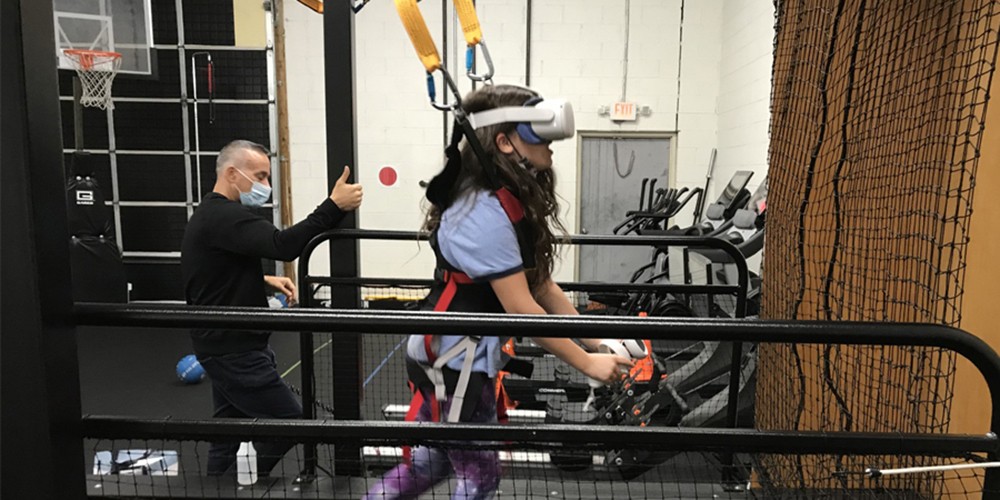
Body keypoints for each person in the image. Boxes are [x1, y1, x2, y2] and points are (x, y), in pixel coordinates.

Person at [364, 85, 633, 500]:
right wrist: (586, 363)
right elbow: (521, 307)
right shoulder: (482, 211)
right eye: (538, 135)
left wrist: (594, 339)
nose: (551, 148)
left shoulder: (504, 199)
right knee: (479, 475)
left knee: (431, 463)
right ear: (505, 142)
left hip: (459, 351)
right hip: (454, 358)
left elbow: (540, 285)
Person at [181, 139, 363, 478]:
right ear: (232, 174)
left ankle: (216, 485)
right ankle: (245, 478)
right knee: (292, 424)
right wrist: (333, 206)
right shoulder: (224, 215)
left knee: (226, 431)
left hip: (223, 343)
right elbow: (283, 245)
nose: (265, 186)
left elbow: (211, 267)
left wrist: (263, 278)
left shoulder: (212, 214)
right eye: (260, 176)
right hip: (234, 350)